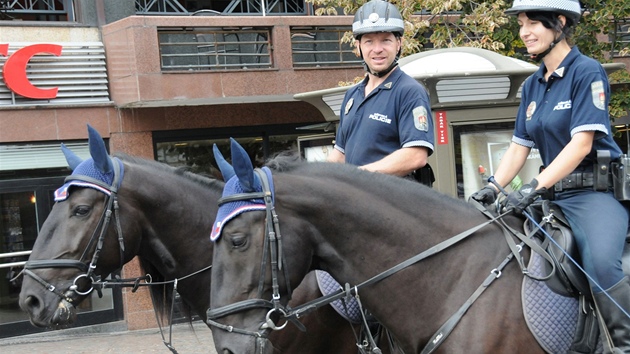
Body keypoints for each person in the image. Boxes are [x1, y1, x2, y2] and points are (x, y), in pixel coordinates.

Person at [470, 0, 630, 350]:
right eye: (521, 24)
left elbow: (580, 145)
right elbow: (518, 147)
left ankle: (623, 344)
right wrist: (494, 187)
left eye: (532, 24)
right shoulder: (532, 85)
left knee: (602, 264)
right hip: (551, 198)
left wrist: (534, 185)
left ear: (559, 22)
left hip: (592, 195)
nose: (524, 32)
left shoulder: (586, 71)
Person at [327, 0, 435, 184]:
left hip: (393, 203)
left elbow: (416, 156)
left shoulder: (409, 92)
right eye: (369, 41)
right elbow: (341, 155)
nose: (378, 49)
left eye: (386, 40)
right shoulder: (351, 96)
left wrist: (359, 175)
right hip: (357, 199)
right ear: (359, 46)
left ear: (398, 44)